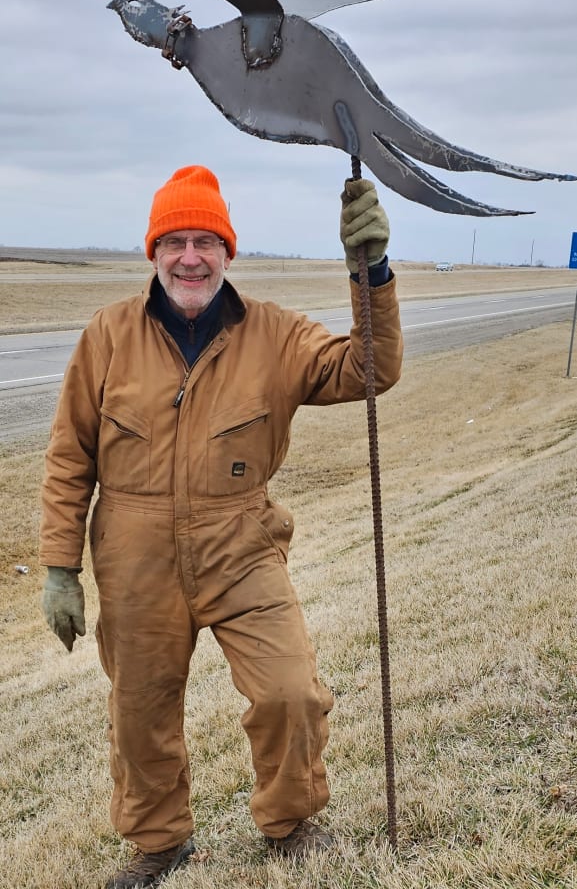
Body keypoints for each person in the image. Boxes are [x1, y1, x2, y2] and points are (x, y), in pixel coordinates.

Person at [40, 165, 403, 887]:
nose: (189, 257)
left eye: (205, 240)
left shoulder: (272, 332)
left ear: (227, 252)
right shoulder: (108, 335)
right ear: (152, 254)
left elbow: (369, 369)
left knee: (289, 691)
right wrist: (59, 568)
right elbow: (68, 455)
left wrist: (372, 271)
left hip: (241, 548)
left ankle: (290, 821)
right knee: (140, 713)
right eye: (173, 241)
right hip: (134, 558)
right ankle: (158, 841)